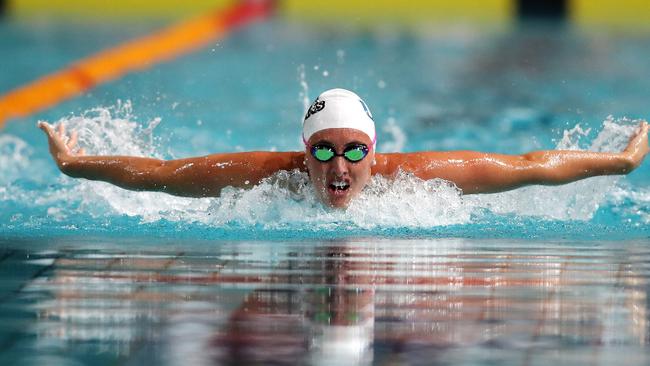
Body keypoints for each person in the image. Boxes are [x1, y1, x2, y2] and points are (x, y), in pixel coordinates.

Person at [39, 88, 649, 209]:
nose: (337, 164)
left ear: (374, 153)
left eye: (354, 151)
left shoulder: (413, 180)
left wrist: (619, 163)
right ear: (302, 152)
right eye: (323, 150)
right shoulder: (265, 178)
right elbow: (157, 175)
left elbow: (526, 169)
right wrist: (74, 166)